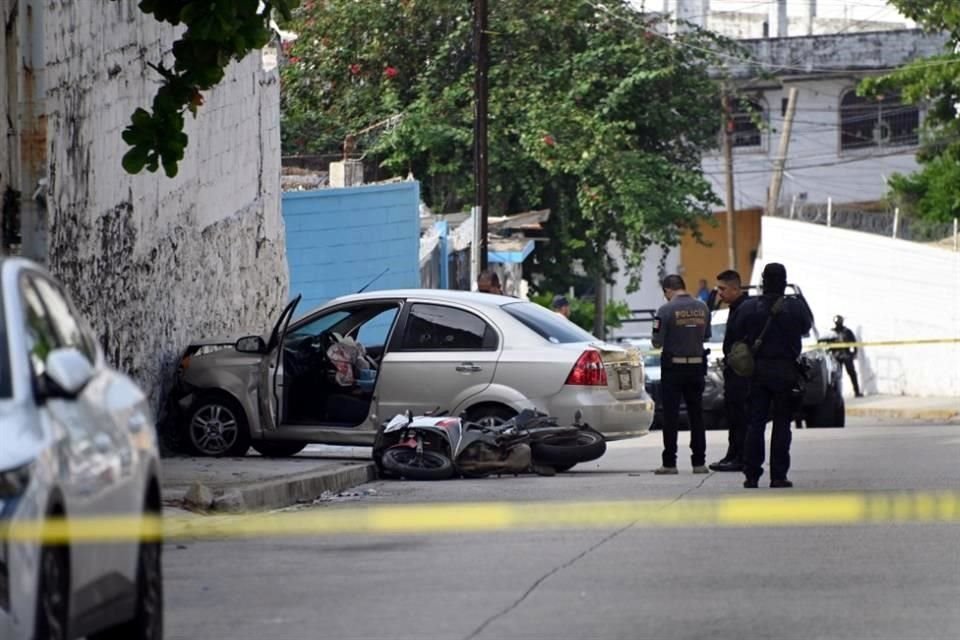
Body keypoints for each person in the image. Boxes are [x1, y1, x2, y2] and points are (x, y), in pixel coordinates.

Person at [728, 263, 812, 489]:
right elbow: (807, 326)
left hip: (757, 371)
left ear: (763, 282)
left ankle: (752, 475)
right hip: (786, 371)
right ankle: (779, 475)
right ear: (784, 282)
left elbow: (736, 331)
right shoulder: (795, 308)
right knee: (782, 424)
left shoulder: (749, 307)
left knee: (755, 423)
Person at [651, 274, 711, 475]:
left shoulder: (665, 310)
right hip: (696, 368)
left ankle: (670, 463)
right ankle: (699, 462)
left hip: (673, 369)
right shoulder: (702, 307)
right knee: (697, 416)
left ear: (667, 290)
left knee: (670, 416)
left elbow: (657, 342)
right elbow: (706, 335)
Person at [708, 269, 751, 472]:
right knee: (733, 415)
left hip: (742, 374)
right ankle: (733, 453)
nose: (720, 294)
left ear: (735, 288)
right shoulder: (735, 308)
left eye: (723, 289)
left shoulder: (746, 309)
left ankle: (741, 456)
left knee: (740, 416)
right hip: (733, 371)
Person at [831, 315, 863, 397]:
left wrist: (854, 353)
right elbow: (828, 344)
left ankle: (857, 391)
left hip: (846, 355)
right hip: (836, 356)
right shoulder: (832, 332)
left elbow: (854, 342)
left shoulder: (847, 331)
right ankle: (836, 394)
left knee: (852, 373)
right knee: (836, 376)